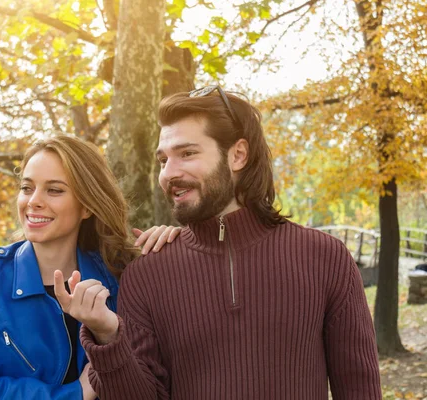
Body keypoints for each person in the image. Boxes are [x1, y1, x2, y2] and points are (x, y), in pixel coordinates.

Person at [55, 86, 382, 399]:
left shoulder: (325, 258)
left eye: (186, 153)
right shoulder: (146, 272)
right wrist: (108, 336)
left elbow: (359, 388)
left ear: (238, 154)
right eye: (163, 160)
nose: (169, 173)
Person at [0, 135, 181, 399]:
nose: (33, 201)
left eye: (54, 190)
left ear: (87, 207)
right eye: (26, 187)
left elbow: (154, 384)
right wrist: (74, 393)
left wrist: (179, 245)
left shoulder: (123, 274)